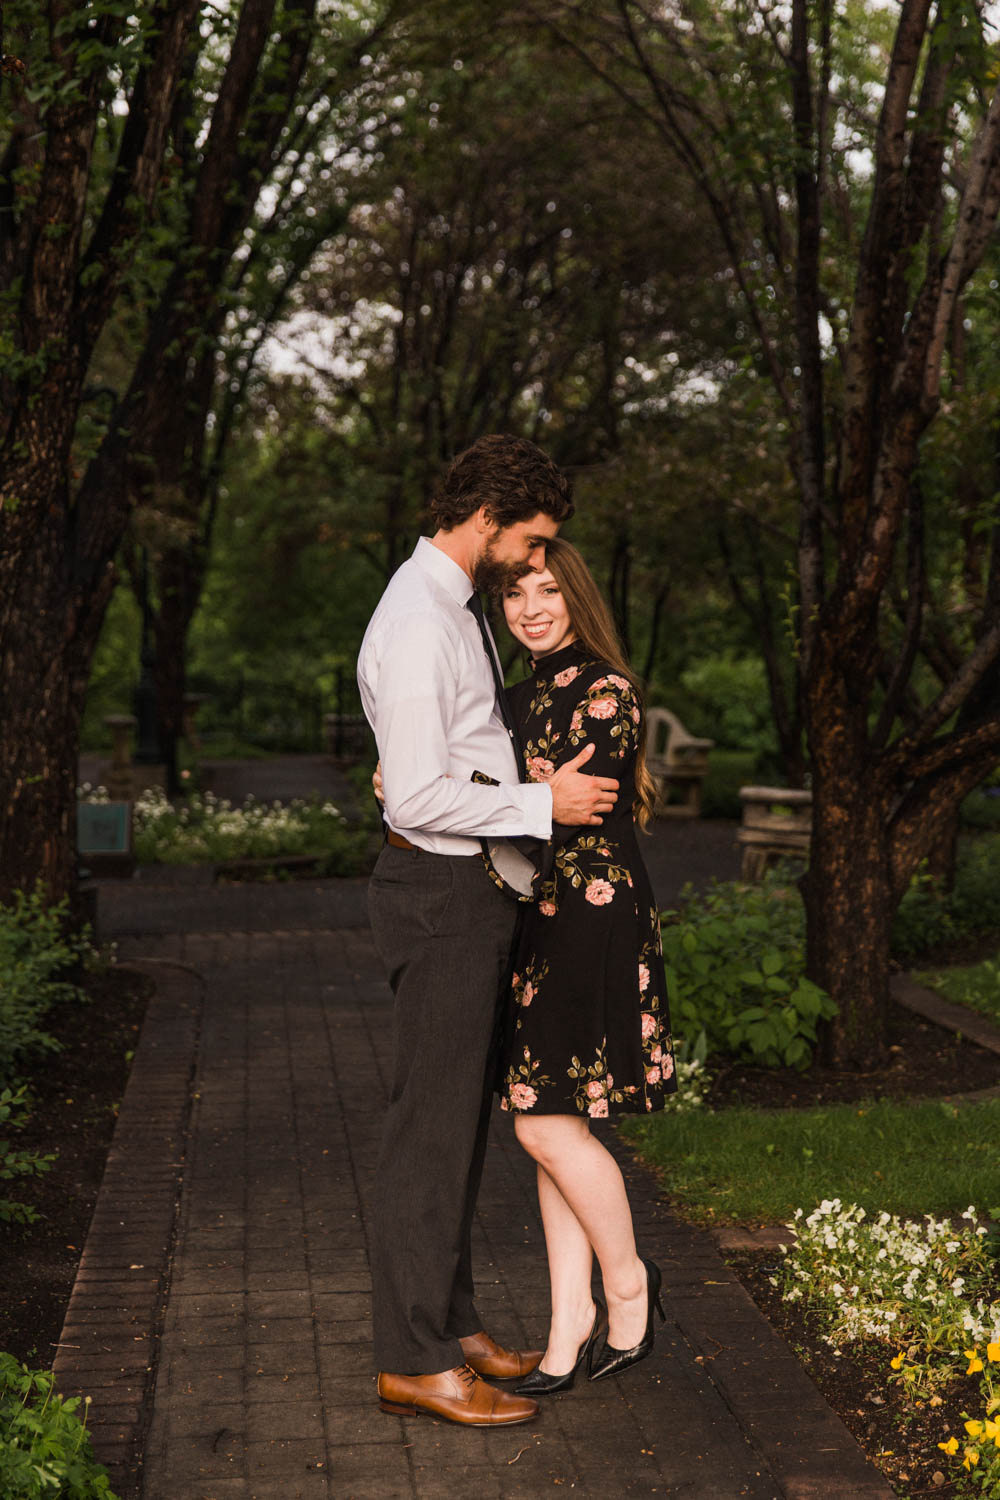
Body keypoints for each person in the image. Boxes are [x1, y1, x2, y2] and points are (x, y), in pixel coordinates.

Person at [357, 435, 620, 1428]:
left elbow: (430, 762)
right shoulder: (421, 621)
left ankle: (449, 1323)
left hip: (465, 890)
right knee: (427, 1129)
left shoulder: (448, 605)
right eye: (535, 537)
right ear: (490, 519)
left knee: (458, 1123)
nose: (537, 556)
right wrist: (539, 801)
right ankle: (415, 1360)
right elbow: (424, 792)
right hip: (439, 893)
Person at [491, 536, 676, 1393]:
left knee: (541, 1123)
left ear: (576, 596)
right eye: (514, 595)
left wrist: (477, 794)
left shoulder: (607, 689)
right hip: (535, 917)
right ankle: (568, 1329)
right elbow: (520, 801)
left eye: (546, 591)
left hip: (591, 917)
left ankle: (630, 1285)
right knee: (553, 1126)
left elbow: (577, 804)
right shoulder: (511, 697)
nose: (530, 609)